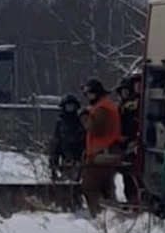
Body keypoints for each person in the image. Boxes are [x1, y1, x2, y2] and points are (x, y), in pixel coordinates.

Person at [79, 78, 123, 216]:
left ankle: (99, 215)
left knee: (89, 186)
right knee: (106, 188)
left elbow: (96, 128)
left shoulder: (102, 108)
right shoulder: (106, 105)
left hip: (102, 155)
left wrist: (84, 117)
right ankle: (111, 216)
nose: (88, 97)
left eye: (89, 94)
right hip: (108, 153)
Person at [115, 74, 141, 205]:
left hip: (133, 141)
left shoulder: (135, 105)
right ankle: (130, 198)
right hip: (122, 143)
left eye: (127, 90)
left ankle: (135, 198)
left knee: (133, 171)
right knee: (126, 173)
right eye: (122, 91)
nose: (125, 93)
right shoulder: (119, 106)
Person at [48, 94, 85, 182]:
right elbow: (56, 142)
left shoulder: (81, 121)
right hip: (66, 157)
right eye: (68, 106)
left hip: (81, 157)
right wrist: (54, 161)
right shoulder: (61, 122)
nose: (70, 109)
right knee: (66, 183)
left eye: (72, 106)